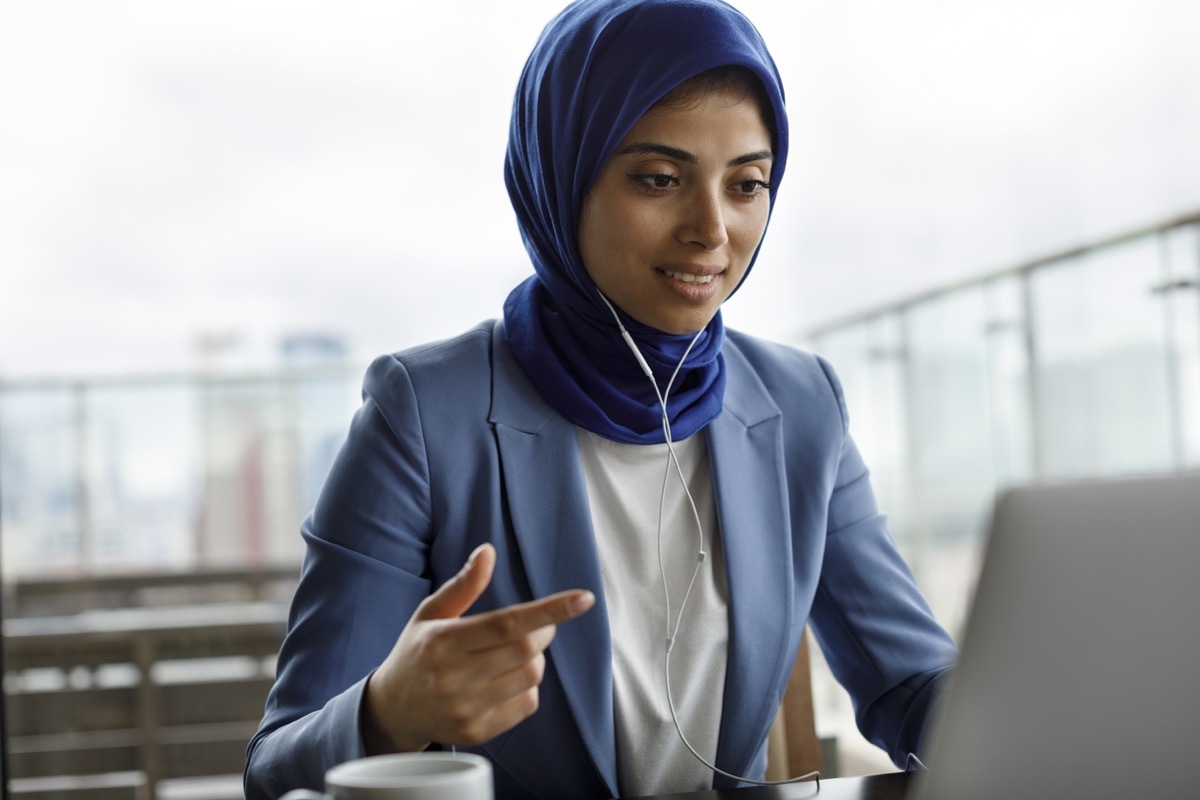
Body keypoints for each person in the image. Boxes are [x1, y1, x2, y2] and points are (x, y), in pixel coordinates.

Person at [244, 0, 958, 798]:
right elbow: (274, 769)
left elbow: (910, 682)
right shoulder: (422, 414)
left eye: (747, 184)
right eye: (659, 179)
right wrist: (386, 711)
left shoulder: (802, 405)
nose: (712, 230)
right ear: (562, 175)